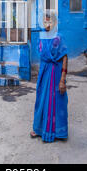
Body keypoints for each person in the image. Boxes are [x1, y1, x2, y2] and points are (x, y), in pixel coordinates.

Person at [31, 13, 68, 142]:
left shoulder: (59, 37)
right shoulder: (41, 36)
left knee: (57, 101)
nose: (47, 25)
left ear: (55, 23)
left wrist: (62, 79)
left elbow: (64, 57)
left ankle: (58, 131)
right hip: (44, 72)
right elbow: (41, 54)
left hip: (56, 73)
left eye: (50, 22)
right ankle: (39, 129)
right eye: (45, 22)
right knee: (41, 100)